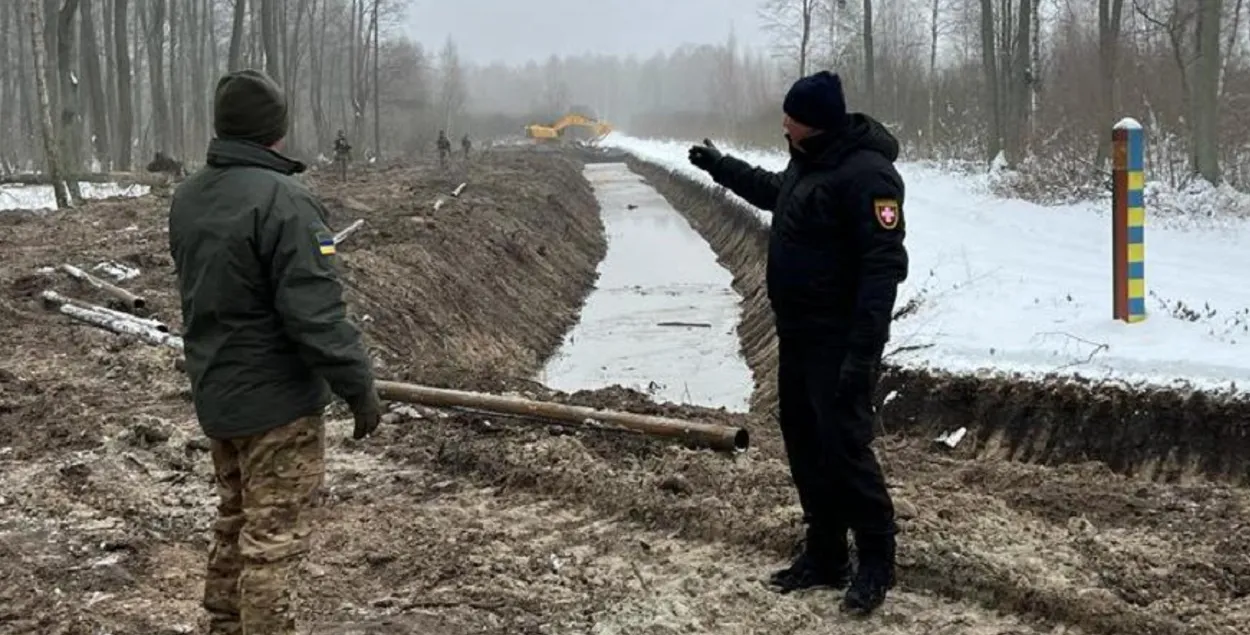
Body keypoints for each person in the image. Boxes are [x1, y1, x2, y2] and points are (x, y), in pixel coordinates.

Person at [168, 68, 382, 635]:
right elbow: (314, 313)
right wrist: (357, 385)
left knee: (234, 521)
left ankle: (223, 626)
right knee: (273, 545)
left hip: (218, 394)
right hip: (277, 406)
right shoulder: (286, 201)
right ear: (275, 130)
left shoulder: (188, 198)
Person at [687, 70, 907, 615]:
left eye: (791, 116)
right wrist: (719, 166)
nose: (783, 123)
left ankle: (877, 559)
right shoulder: (808, 162)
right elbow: (771, 191)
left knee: (845, 447)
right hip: (798, 335)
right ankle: (826, 553)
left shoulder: (868, 176)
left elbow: (883, 269)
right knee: (804, 442)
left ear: (814, 123)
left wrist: (862, 354)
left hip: (839, 342)